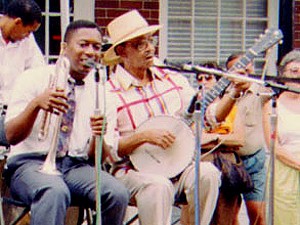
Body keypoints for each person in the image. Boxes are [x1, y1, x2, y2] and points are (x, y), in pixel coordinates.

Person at [4, 20, 129, 225]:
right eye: (83, 44)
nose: (90, 52)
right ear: (64, 48)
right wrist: (36, 104)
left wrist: (98, 136)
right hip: (29, 164)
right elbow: (11, 135)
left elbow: (96, 157)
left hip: (76, 166)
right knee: (54, 191)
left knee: (117, 193)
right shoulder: (32, 78)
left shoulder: (103, 91)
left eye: (96, 47)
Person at [103, 10, 221, 225]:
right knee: (158, 186)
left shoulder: (173, 80)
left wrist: (232, 94)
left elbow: (209, 117)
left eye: (151, 40)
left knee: (208, 174)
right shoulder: (108, 93)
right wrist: (143, 137)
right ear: (122, 51)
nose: (149, 48)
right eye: (140, 44)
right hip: (131, 172)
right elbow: (109, 149)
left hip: (178, 166)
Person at [206, 52, 270, 225]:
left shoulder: (259, 90)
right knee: (230, 216)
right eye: (238, 70)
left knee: (258, 214)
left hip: (254, 161)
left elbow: (271, 91)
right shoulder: (221, 95)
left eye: (247, 68)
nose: (244, 72)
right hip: (229, 164)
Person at [0, 0, 45, 146]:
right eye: (29, 31)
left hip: (12, 111)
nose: (28, 35)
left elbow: (38, 72)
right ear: (17, 22)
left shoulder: (28, 41)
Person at [263, 50, 300, 225]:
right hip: (285, 170)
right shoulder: (272, 105)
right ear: (283, 75)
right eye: (294, 71)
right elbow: (273, 146)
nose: (298, 76)